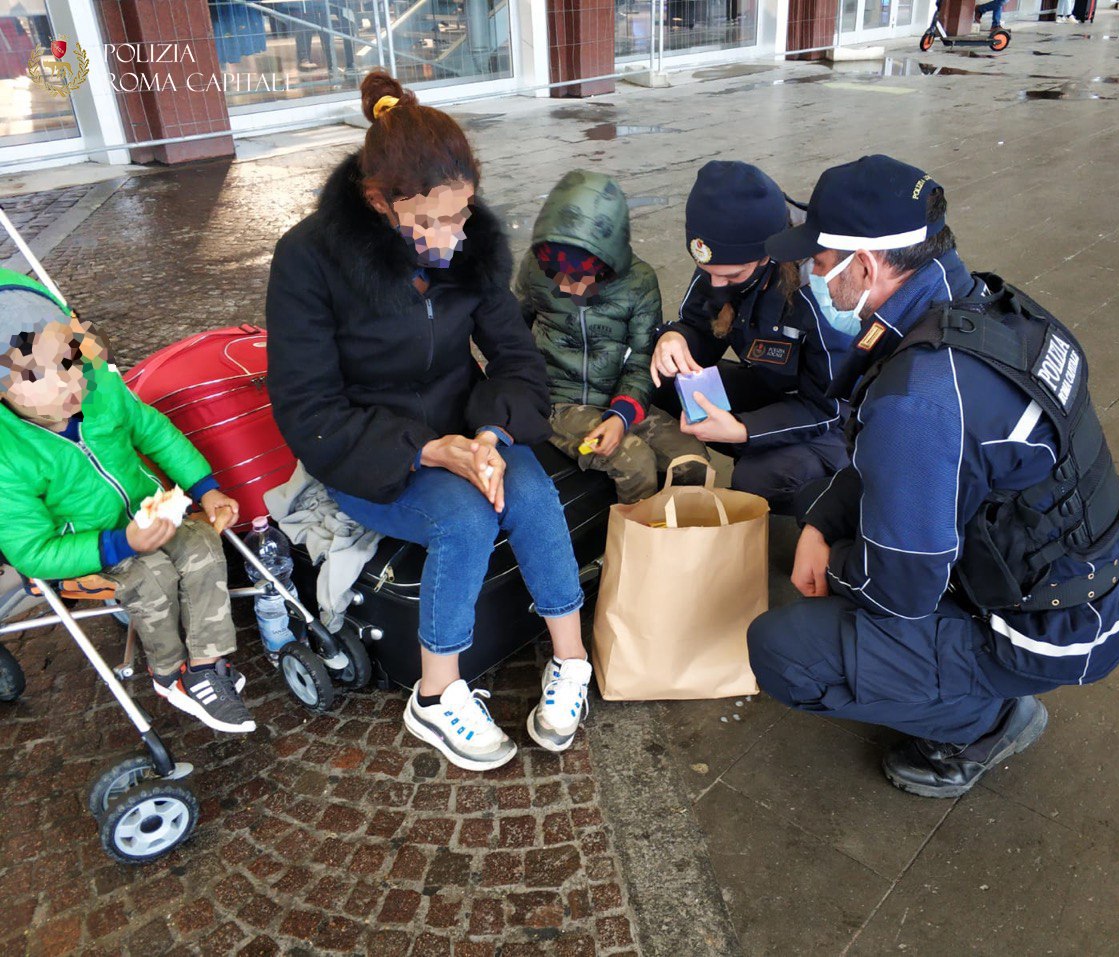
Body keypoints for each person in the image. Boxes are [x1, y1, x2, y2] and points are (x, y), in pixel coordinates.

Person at [747, 156, 1119, 798]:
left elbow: (900, 590)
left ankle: (982, 722)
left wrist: (835, 562)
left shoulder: (920, 394)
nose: (812, 277)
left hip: (1045, 629)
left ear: (864, 267)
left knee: (784, 651)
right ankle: (964, 681)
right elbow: (890, 456)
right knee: (849, 536)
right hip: (1078, 582)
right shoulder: (977, 303)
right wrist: (821, 520)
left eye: (818, 263)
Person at [265, 71, 591, 772]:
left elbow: (515, 359)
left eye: (462, 214)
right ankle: (436, 695)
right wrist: (423, 449)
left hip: (467, 429)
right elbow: (307, 408)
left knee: (532, 492)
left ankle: (573, 661)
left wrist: (490, 435)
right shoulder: (308, 260)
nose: (450, 237)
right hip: (368, 449)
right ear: (379, 201)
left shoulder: (468, 243)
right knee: (465, 517)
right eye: (430, 223)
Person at [0, 269, 252, 733]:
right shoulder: (7, 456)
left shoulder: (102, 389)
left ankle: (204, 666)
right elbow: (29, 551)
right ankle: (167, 671)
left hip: (148, 511)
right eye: (37, 375)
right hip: (87, 545)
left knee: (201, 547)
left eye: (70, 361)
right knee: (152, 575)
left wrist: (205, 488)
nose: (66, 384)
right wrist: (122, 544)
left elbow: (154, 432)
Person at [650, 161, 854, 515]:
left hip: (835, 424)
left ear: (768, 253)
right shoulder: (725, 262)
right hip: (772, 388)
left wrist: (745, 430)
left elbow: (829, 407)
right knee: (665, 375)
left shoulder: (822, 286)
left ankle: (842, 500)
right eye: (706, 272)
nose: (715, 285)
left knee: (756, 481)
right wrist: (675, 337)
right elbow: (700, 326)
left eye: (731, 276)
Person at [515, 169, 706, 504]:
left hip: (618, 396)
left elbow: (642, 358)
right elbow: (511, 333)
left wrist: (621, 415)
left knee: (691, 458)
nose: (564, 287)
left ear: (608, 262)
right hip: (558, 403)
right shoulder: (534, 266)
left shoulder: (640, 282)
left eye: (578, 277)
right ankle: (632, 546)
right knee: (635, 462)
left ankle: (682, 540)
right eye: (555, 275)